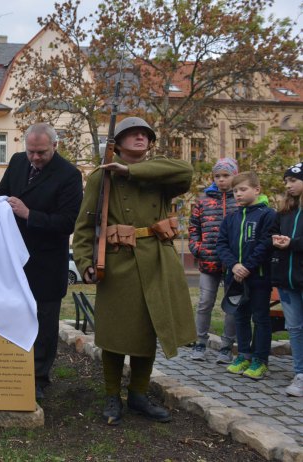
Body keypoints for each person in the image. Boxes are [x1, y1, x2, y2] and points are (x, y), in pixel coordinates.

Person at [72, 117, 195, 425]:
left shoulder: (160, 172)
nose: (140, 138)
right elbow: (86, 225)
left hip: (156, 260)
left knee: (147, 331)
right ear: (119, 142)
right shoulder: (103, 178)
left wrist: (130, 170)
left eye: (145, 135)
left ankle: (139, 395)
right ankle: (113, 396)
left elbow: (186, 172)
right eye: (133, 134)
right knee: (115, 335)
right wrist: (86, 263)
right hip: (119, 262)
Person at [0, 122, 83, 400]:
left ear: (55, 146)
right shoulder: (18, 162)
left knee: (43, 323)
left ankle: (39, 378)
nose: (35, 158)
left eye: (41, 152)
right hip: (13, 261)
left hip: (46, 264)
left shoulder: (69, 175)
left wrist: (30, 214)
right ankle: (11, 371)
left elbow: (67, 223)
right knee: (13, 317)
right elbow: (0, 191)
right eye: (31, 152)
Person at [217, 171, 276, 380]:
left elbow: (265, 244)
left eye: (243, 189)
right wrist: (234, 266)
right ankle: (243, 355)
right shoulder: (231, 218)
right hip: (235, 278)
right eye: (235, 191)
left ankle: (260, 360)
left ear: (257, 190)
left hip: (258, 277)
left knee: (260, 318)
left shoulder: (268, 215)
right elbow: (221, 245)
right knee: (240, 316)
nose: (238, 194)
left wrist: (247, 267)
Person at [188, 158, 239, 363]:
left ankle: (226, 346)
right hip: (208, 262)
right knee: (204, 302)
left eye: (226, 175)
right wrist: (196, 247)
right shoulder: (203, 201)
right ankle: (200, 342)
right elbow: (193, 228)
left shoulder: (240, 200)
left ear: (234, 175)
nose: (221, 180)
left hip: (233, 265)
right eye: (217, 176)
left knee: (231, 305)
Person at [271, 162, 303, 396]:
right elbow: (271, 235)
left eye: (293, 180)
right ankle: (300, 374)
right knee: (295, 328)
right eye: (286, 181)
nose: (288, 185)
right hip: (287, 281)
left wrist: (293, 244)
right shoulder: (284, 212)